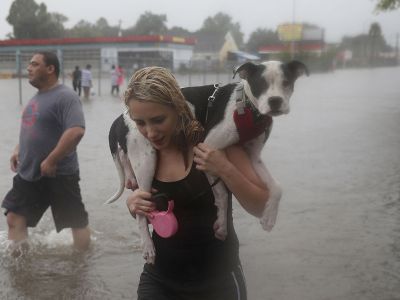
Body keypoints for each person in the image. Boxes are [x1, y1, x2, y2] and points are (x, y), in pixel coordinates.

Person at [124, 67, 269, 299]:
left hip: (219, 282)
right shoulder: (141, 151)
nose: (150, 132)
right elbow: (152, 211)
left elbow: (262, 206)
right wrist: (135, 206)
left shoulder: (217, 141)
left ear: (179, 108)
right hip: (159, 280)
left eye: (158, 120)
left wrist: (223, 167)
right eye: (140, 123)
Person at [2, 51, 91, 253]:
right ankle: (22, 267)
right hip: (29, 173)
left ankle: (82, 266)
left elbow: (76, 130)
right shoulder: (36, 98)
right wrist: (18, 149)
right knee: (14, 217)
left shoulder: (66, 96)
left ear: (50, 69)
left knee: (76, 222)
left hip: (59, 174)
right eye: (29, 64)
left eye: (34, 64)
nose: (28, 68)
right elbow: (32, 129)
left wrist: (52, 159)